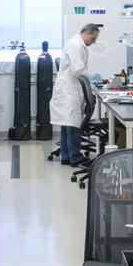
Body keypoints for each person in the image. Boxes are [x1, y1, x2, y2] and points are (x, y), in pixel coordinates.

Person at [50, 23, 99, 165]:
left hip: (68, 89)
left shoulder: (76, 43)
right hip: (69, 90)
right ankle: (75, 157)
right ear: (87, 34)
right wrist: (91, 78)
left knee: (67, 124)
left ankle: (66, 156)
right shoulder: (76, 45)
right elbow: (78, 69)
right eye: (93, 38)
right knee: (72, 124)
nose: (94, 42)